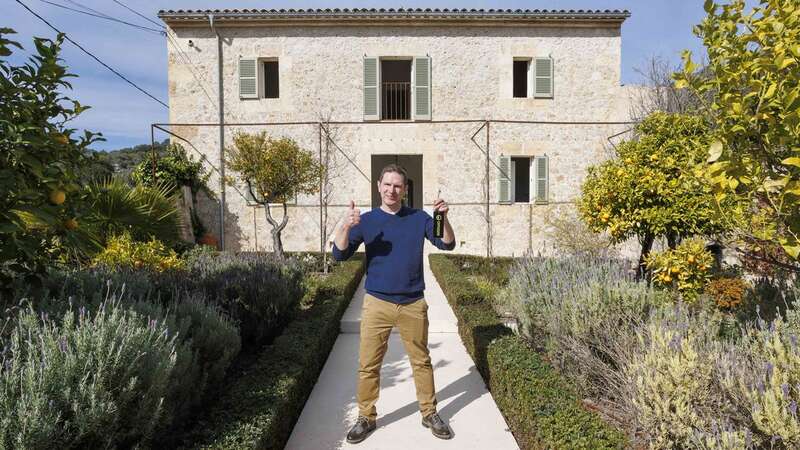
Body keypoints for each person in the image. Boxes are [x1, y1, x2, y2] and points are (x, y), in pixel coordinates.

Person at [333, 163, 456, 444]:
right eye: (387, 184)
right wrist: (345, 225)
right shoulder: (365, 221)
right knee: (368, 364)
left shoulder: (420, 218)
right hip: (377, 303)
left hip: (413, 303)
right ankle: (366, 416)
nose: (392, 190)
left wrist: (443, 219)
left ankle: (429, 413)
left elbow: (446, 244)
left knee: (421, 361)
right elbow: (339, 255)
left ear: (405, 189)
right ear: (378, 186)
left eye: (397, 185)